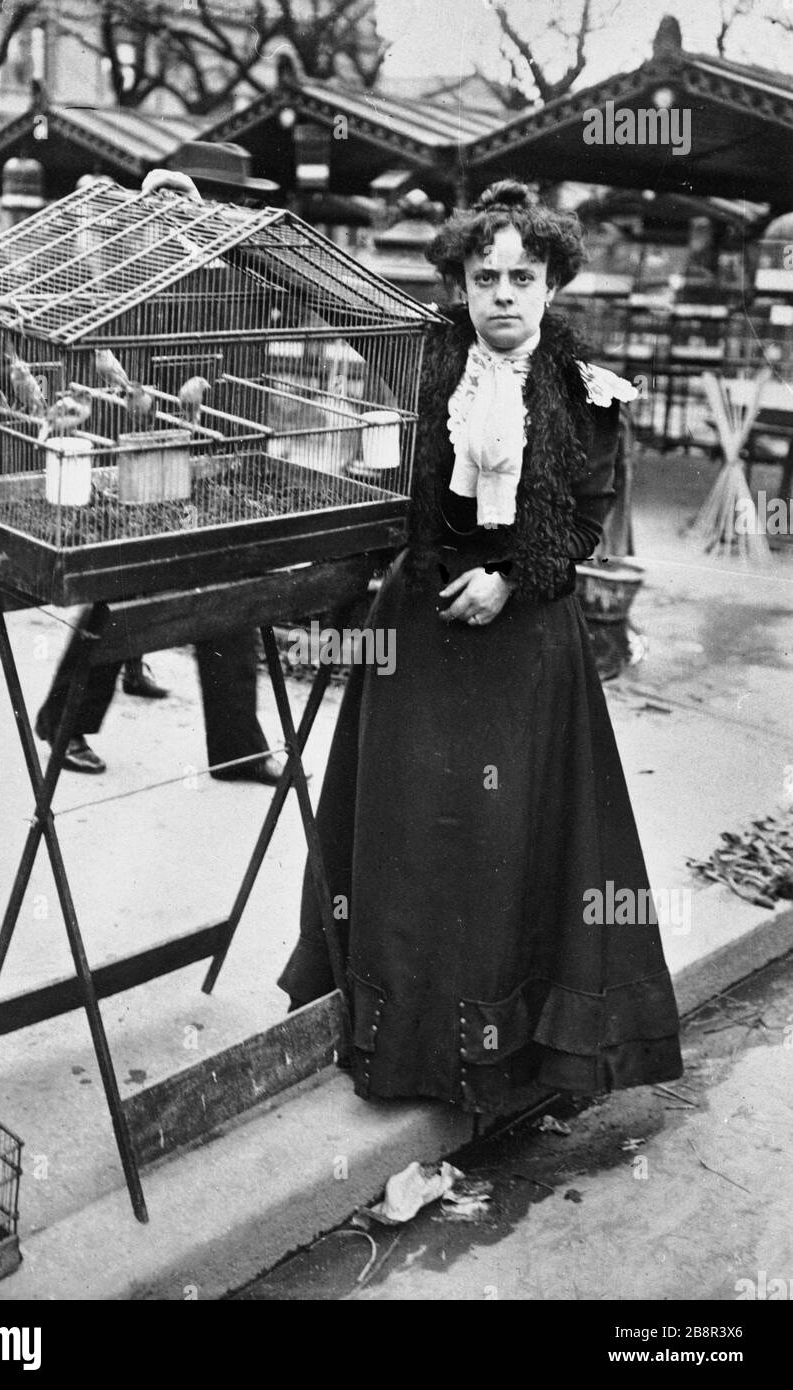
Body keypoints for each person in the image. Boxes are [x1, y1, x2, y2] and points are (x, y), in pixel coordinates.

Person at [279, 180, 683, 1112]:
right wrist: (206, 213)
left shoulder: (588, 392)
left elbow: (586, 519)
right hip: (417, 633)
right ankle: (400, 1045)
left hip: (525, 642)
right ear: (459, 281)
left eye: (522, 277)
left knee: (505, 841)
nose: (502, 293)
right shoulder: (425, 363)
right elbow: (325, 292)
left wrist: (509, 578)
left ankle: (502, 1062)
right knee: (410, 828)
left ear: (551, 285)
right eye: (483, 275)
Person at [35, 149, 285, 784]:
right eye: (230, 199)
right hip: (157, 448)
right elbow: (130, 363)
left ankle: (238, 746)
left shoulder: (234, 264)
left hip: (223, 447)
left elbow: (240, 356)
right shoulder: (156, 261)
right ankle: (65, 722)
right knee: (127, 585)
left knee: (234, 589)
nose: (240, 211)